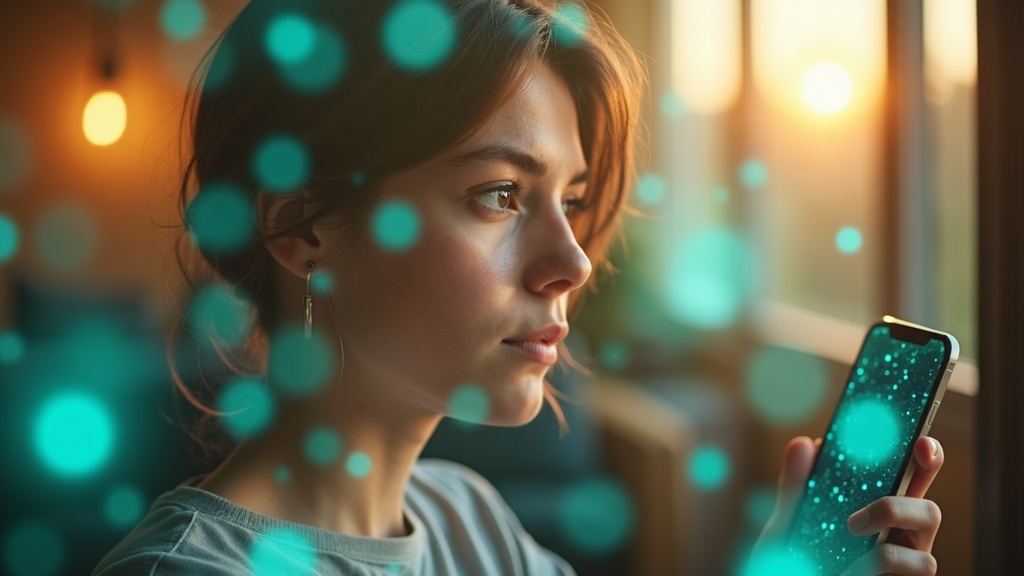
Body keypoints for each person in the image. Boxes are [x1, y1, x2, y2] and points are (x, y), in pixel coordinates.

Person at [92, 0, 945, 574]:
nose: (573, 262)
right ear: (303, 226)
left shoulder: (472, 522)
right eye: (499, 195)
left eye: (571, 202)